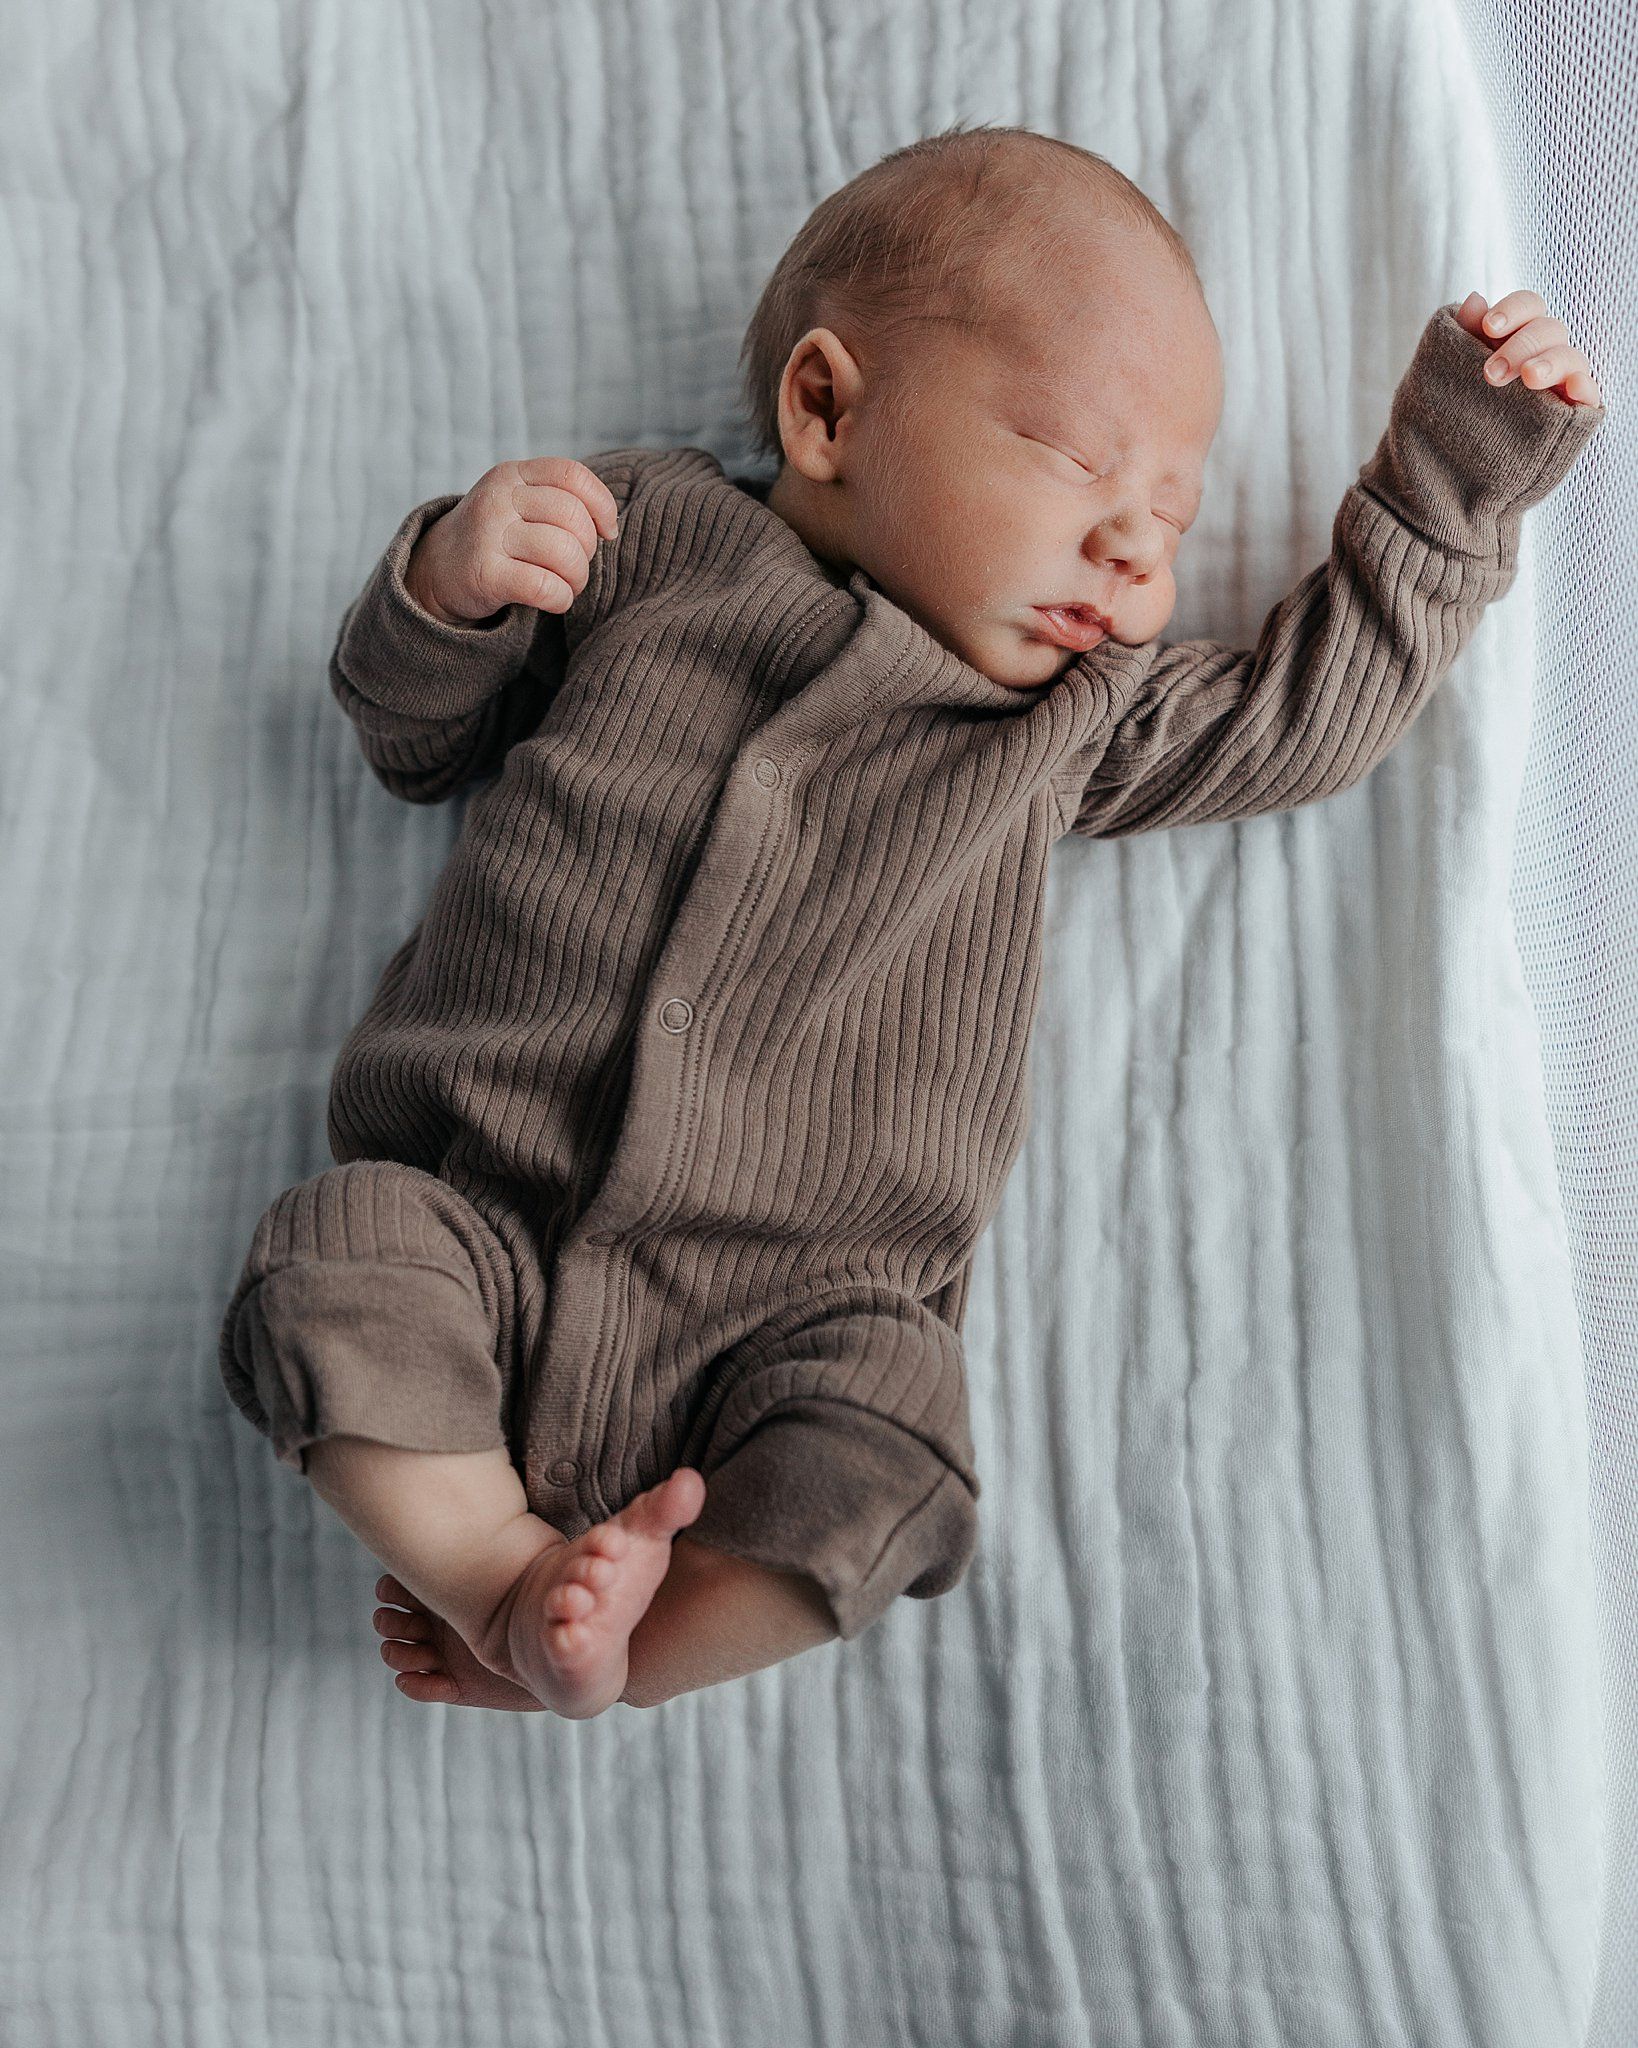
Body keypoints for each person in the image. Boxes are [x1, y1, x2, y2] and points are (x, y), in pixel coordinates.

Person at [217, 123, 1605, 1719]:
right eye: (1081, 462)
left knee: (891, 1445)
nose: (1138, 540)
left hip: (797, 1307)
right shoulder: (648, 538)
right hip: (482, 1217)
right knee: (333, 1255)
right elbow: (415, 745)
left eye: (1171, 504)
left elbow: (1311, 718)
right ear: (825, 408)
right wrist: (448, 596)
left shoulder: (1064, 720)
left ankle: (606, 1645)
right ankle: (489, 1571)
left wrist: (1449, 480)